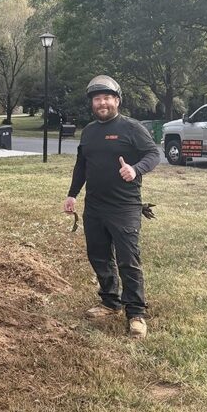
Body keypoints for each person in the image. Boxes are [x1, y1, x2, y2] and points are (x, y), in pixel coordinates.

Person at [64, 75, 160, 338]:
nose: (102, 103)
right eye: (97, 99)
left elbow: (153, 154)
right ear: (92, 103)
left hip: (124, 206)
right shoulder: (89, 131)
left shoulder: (131, 128)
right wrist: (72, 194)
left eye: (107, 98)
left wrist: (136, 169)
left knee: (128, 260)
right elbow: (82, 165)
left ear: (117, 100)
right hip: (94, 207)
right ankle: (110, 301)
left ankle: (136, 313)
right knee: (98, 255)